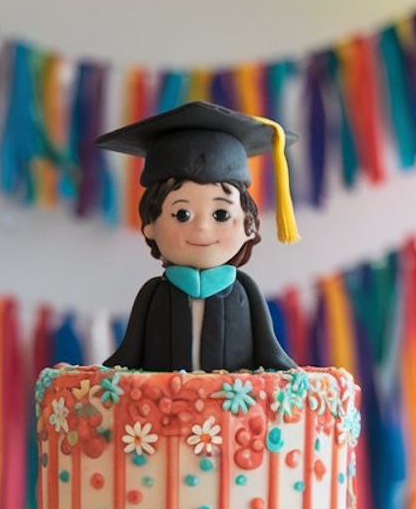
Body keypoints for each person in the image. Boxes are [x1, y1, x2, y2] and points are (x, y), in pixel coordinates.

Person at [97, 101, 300, 371]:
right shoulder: (153, 294)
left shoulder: (245, 293)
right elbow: (129, 352)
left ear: (249, 227)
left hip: (238, 410)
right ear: (149, 226)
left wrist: (298, 381)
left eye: (221, 215)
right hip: (156, 409)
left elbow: (269, 349)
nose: (203, 228)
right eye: (182, 215)